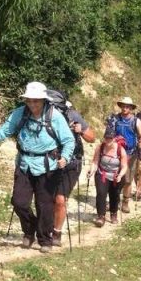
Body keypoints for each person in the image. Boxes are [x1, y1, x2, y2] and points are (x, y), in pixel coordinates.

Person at [0, 82, 75, 252]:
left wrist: (65, 157)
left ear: (43, 100)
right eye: (29, 101)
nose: (32, 104)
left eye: (36, 101)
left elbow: (69, 140)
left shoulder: (54, 116)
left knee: (45, 205)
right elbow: (5, 131)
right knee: (19, 202)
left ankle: (45, 240)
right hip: (24, 164)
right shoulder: (20, 113)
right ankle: (29, 228)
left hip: (48, 166)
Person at [52, 99, 95, 246]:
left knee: (60, 199)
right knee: (48, 198)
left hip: (72, 163)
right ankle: (46, 227)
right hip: (50, 162)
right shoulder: (44, 116)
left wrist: (81, 130)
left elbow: (92, 137)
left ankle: (56, 232)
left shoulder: (74, 116)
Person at [107, 96, 141, 214]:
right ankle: (113, 201)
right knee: (113, 178)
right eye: (123, 106)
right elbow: (109, 134)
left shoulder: (136, 121)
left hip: (131, 153)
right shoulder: (114, 119)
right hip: (116, 153)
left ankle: (125, 202)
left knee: (128, 179)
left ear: (131, 108)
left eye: (127, 106)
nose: (125, 108)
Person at [88, 127, 128, 226]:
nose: (108, 140)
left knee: (115, 195)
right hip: (102, 174)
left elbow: (124, 166)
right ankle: (101, 216)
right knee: (101, 193)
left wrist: (120, 175)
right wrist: (91, 170)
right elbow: (95, 161)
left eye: (110, 138)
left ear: (114, 138)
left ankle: (113, 213)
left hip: (116, 175)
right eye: (106, 138)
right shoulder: (100, 147)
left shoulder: (120, 150)